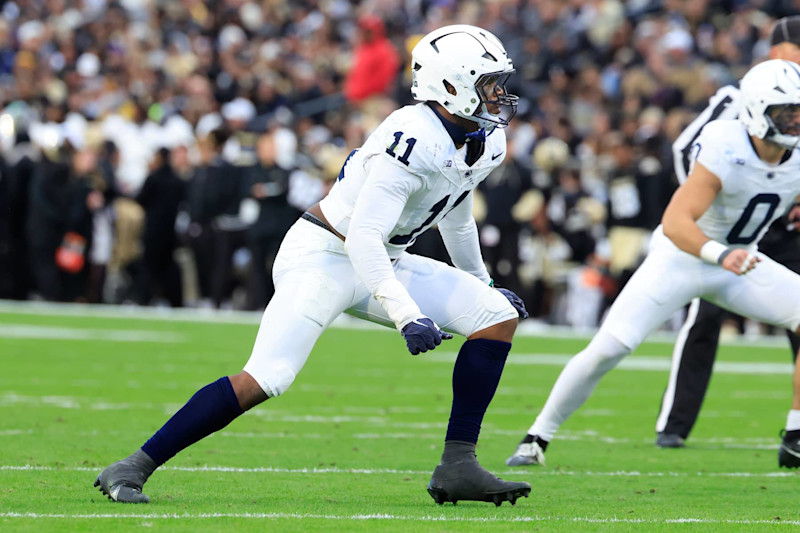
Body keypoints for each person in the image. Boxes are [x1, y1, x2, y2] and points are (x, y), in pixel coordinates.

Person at [94, 25, 531, 507]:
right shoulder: (411, 138)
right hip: (324, 254)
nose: (499, 94)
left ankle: (458, 466)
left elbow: (457, 217)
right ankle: (133, 465)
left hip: (384, 258)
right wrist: (408, 315)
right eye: (489, 83)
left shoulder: (484, 140)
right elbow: (362, 236)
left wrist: (482, 283)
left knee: (495, 316)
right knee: (268, 376)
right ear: (451, 86)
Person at [505, 58, 800, 470]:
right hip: (683, 258)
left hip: (740, 261)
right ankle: (537, 436)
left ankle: (797, 433)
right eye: (787, 112)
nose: (795, 121)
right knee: (609, 348)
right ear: (756, 109)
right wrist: (721, 254)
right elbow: (676, 222)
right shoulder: (726, 144)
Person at [655, 16, 800, 449]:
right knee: (704, 319)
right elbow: (686, 148)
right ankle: (674, 425)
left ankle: (797, 428)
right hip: (730, 230)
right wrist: (712, 206)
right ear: (778, 53)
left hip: (782, 226)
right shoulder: (739, 96)